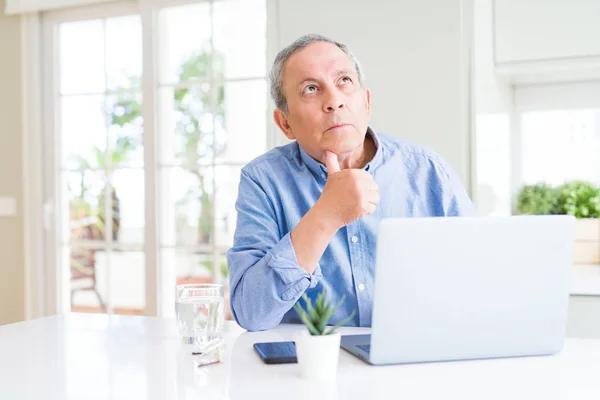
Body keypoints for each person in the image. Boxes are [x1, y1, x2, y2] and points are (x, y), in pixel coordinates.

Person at [226, 34, 475, 331]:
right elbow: (251, 313)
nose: (334, 101)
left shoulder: (427, 171)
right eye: (310, 88)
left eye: (344, 80)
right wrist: (325, 216)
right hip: (310, 369)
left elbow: (479, 283)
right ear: (285, 124)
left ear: (366, 102)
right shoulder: (263, 181)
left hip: (414, 365)